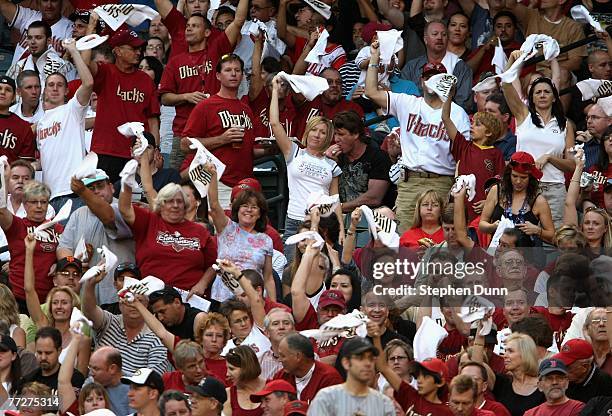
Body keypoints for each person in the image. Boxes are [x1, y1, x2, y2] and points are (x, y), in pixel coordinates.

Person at [365, 40, 470, 231]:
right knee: (404, 238)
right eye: (428, 77)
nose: (431, 81)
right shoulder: (408, 102)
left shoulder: (458, 114)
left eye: (437, 77)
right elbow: (371, 92)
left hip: (441, 181)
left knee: (437, 240)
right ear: (421, 81)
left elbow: (465, 156)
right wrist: (374, 58)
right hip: (410, 181)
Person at [159, 0, 248, 169]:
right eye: (187, 26)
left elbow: (238, 21)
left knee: (214, 185)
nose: (189, 29)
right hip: (183, 134)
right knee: (179, 187)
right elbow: (164, 98)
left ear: (207, 32)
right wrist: (186, 96)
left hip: (215, 135)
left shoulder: (217, 50)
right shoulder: (175, 62)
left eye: (195, 26)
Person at [270, 74, 343, 256]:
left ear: (328, 137)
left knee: (320, 268)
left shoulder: (331, 165)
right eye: (314, 130)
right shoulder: (294, 152)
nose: (317, 135)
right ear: (307, 132)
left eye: (323, 132)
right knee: (290, 269)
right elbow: (275, 124)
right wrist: (274, 91)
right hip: (295, 219)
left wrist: (341, 227)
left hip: (324, 220)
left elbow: (335, 200)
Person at [501, 52, 575, 228]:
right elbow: (505, 85)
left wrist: (549, 158)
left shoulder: (566, 125)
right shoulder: (523, 116)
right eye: (538, 92)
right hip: (524, 185)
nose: (542, 95)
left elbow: (572, 165)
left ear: (554, 96)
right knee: (522, 235)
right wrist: (512, 60)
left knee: (553, 239)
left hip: (555, 188)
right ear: (531, 97)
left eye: (546, 92)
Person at [182, 54, 264, 208]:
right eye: (228, 70)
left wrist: (269, 150)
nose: (233, 74)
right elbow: (185, 144)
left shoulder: (246, 108)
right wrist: (222, 139)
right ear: (218, 76)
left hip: (245, 183)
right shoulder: (206, 106)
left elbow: (248, 149)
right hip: (218, 181)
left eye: (237, 70)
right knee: (224, 230)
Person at [84, 24, 161, 182]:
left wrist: (155, 149)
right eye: (133, 48)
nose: (138, 52)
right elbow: (85, 63)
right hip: (105, 150)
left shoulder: (146, 80)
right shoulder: (106, 72)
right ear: (117, 51)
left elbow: (153, 120)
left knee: (133, 202)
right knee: (102, 200)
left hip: (137, 153)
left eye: (139, 48)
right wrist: (91, 25)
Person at [57, 171, 136, 309]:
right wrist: (74, 264)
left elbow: (108, 217)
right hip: (85, 295)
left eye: (100, 186)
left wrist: (82, 190)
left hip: (118, 296)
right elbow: (63, 247)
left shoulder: (124, 209)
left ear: (111, 187)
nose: (96, 192)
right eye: (91, 189)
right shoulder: (78, 214)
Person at [119, 181, 217, 291]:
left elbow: (214, 264)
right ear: (161, 205)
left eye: (179, 201)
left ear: (185, 206)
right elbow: (125, 209)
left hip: (189, 298)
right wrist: (127, 182)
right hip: (152, 295)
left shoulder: (200, 231)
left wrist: (202, 284)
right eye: (170, 201)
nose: (175, 205)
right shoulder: (149, 221)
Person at [36, 37, 93, 212]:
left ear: (67, 91)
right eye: (51, 85)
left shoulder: (72, 110)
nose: (54, 88)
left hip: (73, 193)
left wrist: (74, 51)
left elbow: (89, 83)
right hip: (50, 198)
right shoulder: (40, 124)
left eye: (59, 85)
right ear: (44, 90)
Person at [204, 164, 275, 302]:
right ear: (237, 210)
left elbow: (268, 277)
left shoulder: (266, 240)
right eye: (244, 206)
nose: (249, 210)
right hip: (222, 296)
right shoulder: (227, 227)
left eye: (254, 207)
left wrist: (273, 306)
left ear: (260, 214)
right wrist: (213, 176)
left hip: (251, 297)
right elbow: (213, 204)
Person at [81, 267, 169, 376]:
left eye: (139, 301)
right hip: (95, 388)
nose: (133, 304)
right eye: (128, 300)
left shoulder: (157, 336)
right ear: (120, 304)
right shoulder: (109, 321)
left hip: (131, 391)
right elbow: (89, 310)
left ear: (147, 305)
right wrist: (90, 284)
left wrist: (115, 375)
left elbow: (154, 378)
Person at [24, 236, 90, 373]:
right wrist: (29, 251)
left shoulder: (81, 338)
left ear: (72, 306)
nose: (59, 306)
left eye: (64, 302)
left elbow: (81, 377)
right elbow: (29, 290)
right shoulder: (44, 326)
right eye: (55, 303)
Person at [441, 85, 504, 221]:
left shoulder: (496, 154)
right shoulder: (463, 147)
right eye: (472, 123)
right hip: (459, 210)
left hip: (483, 214)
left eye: (478, 124)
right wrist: (449, 96)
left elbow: (500, 186)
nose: (472, 126)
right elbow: (445, 118)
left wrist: (489, 202)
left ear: (488, 132)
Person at [0, 181, 61, 313]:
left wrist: (59, 263)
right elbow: (1, 210)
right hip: (19, 298)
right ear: (24, 204)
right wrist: (4, 176)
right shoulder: (17, 225)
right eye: (34, 202)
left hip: (50, 299)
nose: (39, 206)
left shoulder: (58, 229)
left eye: (43, 202)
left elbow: (69, 255)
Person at [479, 152, 555, 244]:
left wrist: (538, 231)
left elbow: (552, 235)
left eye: (523, 178)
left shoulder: (539, 201)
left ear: (530, 178)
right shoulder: (496, 191)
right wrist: (493, 227)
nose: (518, 181)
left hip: (527, 254)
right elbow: (482, 224)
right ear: (508, 174)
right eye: (514, 176)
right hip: (498, 252)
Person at [307, 337, 395, 415]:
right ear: (346, 363)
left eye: (371, 358)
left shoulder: (383, 403)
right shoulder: (326, 399)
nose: (368, 363)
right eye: (360, 358)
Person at [327, 111, 392, 213]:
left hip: (368, 217)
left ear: (356, 134)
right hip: (338, 215)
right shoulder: (335, 158)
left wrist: (339, 208)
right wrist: (327, 164)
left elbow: (374, 198)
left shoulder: (378, 157)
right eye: (335, 134)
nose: (336, 139)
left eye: (341, 134)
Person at [401, 20, 473, 109]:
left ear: (447, 39)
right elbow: (402, 98)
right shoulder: (411, 67)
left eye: (444, 35)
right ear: (425, 39)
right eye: (435, 34)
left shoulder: (460, 67)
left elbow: (464, 104)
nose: (439, 37)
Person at [472, 332, 545, 416]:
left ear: (525, 354)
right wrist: (480, 333)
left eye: (510, 351)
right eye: (505, 351)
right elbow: (477, 364)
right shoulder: (502, 383)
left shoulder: (544, 386)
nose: (505, 355)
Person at [291, 68, 364, 141]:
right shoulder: (307, 101)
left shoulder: (352, 108)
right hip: (301, 150)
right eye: (329, 82)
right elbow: (293, 79)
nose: (334, 85)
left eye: (338, 82)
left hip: (336, 151)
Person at [0, 0, 73, 67]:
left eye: (54, 0)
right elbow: (3, 5)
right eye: (45, 0)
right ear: (38, 3)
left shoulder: (71, 29)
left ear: (62, 3)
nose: (49, 5)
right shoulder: (29, 16)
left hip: (48, 79)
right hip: (16, 76)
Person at [273, 333, 343, 402]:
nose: (280, 360)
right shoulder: (281, 376)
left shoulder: (329, 379)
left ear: (298, 356)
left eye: (283, 356)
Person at [16, 326, 85, 393]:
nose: (43, 357)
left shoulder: (74, 379)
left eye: (48, 353)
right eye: (39, 352)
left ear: (59, 351)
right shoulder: (27, 381)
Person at [7, 20, 73, 86]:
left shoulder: (63, 66)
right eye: (29, 38)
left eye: (38, 38)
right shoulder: (17, 67)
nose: (32, 42)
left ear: (49, 41)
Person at [553, 339, 612, 403]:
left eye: (567, 367)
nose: (562, 370)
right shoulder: (564, 380)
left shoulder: (604, 382)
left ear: (584, 367)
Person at [88, 346, 133, 416]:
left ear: (112, 369)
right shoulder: (91, 382)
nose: (91, 373)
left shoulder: (135, 387)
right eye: (90, 367)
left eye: (95, 369)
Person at [0, 75, 36, 163]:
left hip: (7, 176)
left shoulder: (24, 128)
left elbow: (24, 165)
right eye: (0, 88)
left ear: (13, 98)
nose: (2, 92)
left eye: (8, 90)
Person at [223, 345, 266, 415]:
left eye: (231, 369)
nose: (227, 374)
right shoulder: (228, 394)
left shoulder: (271, 388)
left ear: (246, 367)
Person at [260, 308, 297, 380]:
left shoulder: (306, 357)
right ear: (266, 333)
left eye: (286, 323)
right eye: (275, 324)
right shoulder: (260, 362)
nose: (281, 327)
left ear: (293, 330)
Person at [484, 93, 517, 162]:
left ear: (505, 117)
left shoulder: (513, 143)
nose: (486, 115)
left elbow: (509, 169)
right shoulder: (479, 138)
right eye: (485, 110)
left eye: (491, 111)